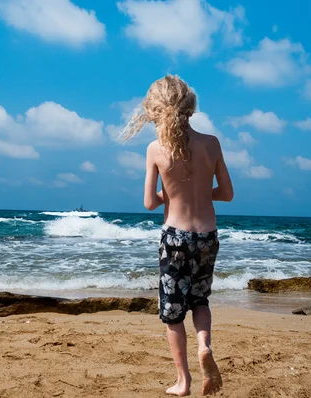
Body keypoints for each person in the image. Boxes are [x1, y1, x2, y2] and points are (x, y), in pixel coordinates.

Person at [120, 75, 234, 396]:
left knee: (172, 313)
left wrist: (171, 194)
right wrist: (199, 190)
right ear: (189, 105)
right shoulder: (211, 143)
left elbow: (148, 202)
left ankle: (183, 381)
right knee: (200, 299)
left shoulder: (156, 148)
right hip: (208, 236)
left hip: (175, 238)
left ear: (154, 109)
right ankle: (204, 346)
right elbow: (226, 193)